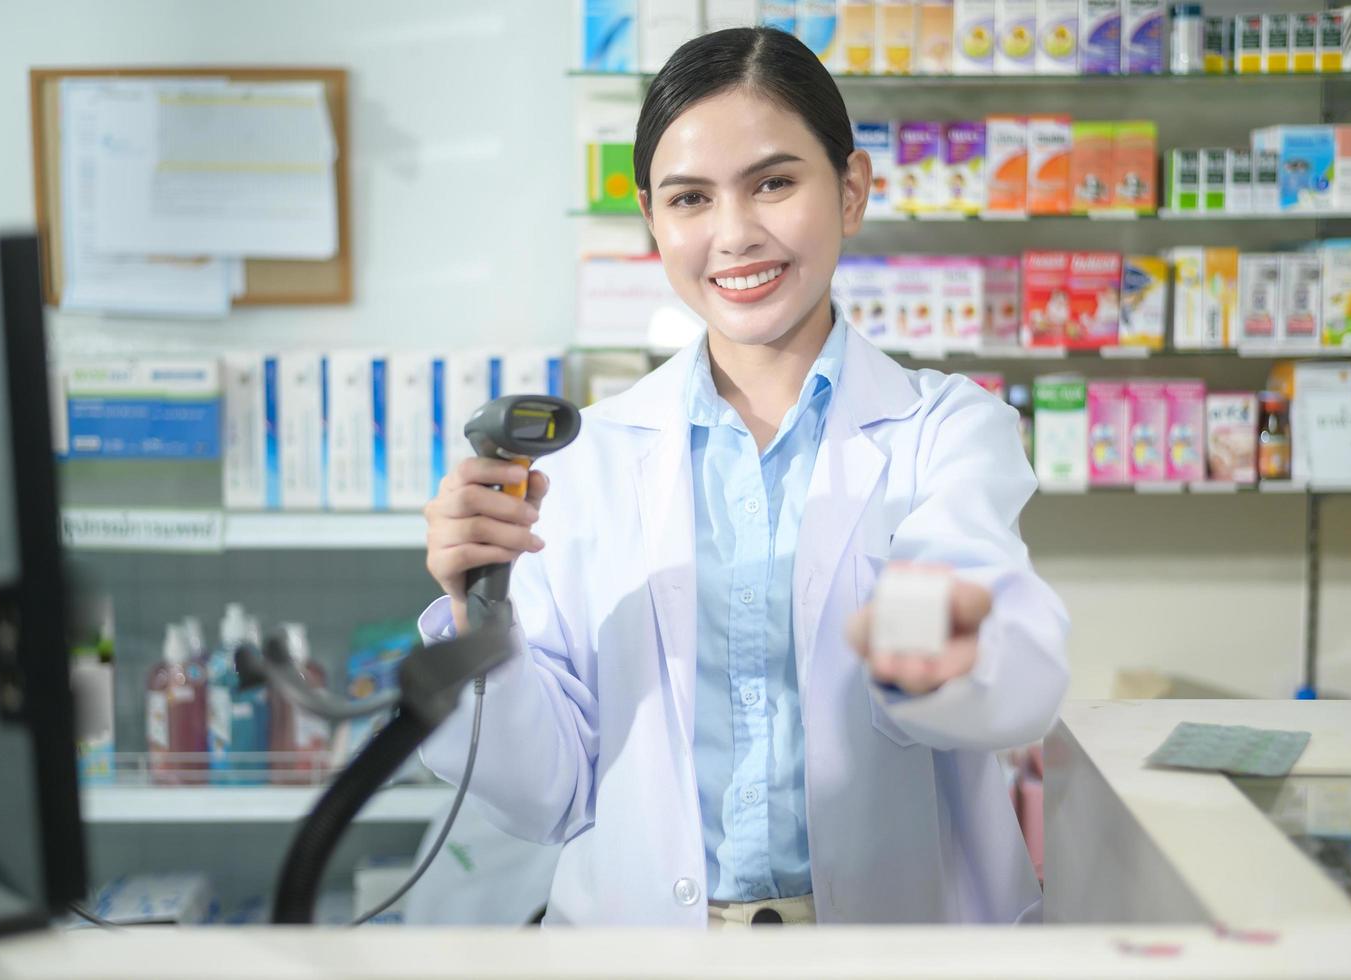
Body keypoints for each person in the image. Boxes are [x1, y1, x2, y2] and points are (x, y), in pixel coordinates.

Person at [419, 26, 1069, 928]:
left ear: (849, 190)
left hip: (893, 942)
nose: (733, 234)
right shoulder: (591, 457)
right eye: (690, 198)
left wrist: (930, 641)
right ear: (652, 220)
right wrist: (474, 613)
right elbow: (548, 794)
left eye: (773, 182)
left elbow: (1000, 650)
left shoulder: (943, 429)